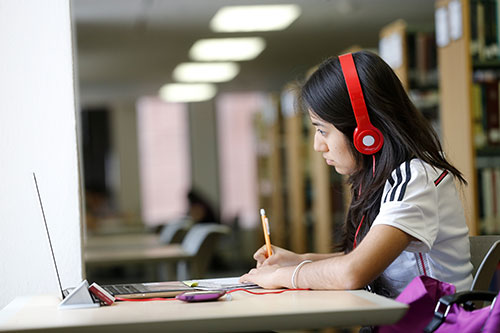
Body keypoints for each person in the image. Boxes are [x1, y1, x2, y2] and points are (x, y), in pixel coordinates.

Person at [240, 51, 473, 298]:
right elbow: (370, 261)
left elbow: (353, 272)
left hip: (436, 323)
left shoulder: (416, 178)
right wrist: (300, 260)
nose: (318, 145)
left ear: (365, 131)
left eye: (323, 131)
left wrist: (279, 277)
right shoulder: (384, 178)